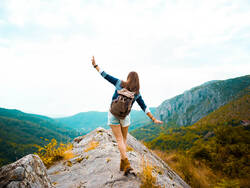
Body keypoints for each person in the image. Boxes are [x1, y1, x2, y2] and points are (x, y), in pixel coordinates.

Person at [91, 56, 163, 176]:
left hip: (113, 114)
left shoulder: (120, 83)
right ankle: (123, 163)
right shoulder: (137, 94)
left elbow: (105, 75)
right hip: (125, 117)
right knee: (123, 140)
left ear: (128, 78)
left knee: (119, 139)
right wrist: (153, 119)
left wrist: (95, 65)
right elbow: (144, 107)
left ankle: (126, 163)